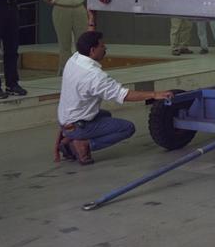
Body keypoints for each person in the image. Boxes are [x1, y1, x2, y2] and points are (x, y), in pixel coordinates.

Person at [56, 30, 173, 165]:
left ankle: (70, 138)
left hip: (65, 120)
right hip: (76, 124)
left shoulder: (74, 59)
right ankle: (85, 144)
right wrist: (154, 94)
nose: (105, 48)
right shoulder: (94, 76)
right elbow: (123, 95)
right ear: (92, 50)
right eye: (102, 46)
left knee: (106, 115)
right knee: (127, 128)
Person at [42, 0, 90, 73]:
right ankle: (65, 69)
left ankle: (83, 68)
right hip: (61, 10)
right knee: (64, 42)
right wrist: (60, 2)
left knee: (83, 40)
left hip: (79, 8)